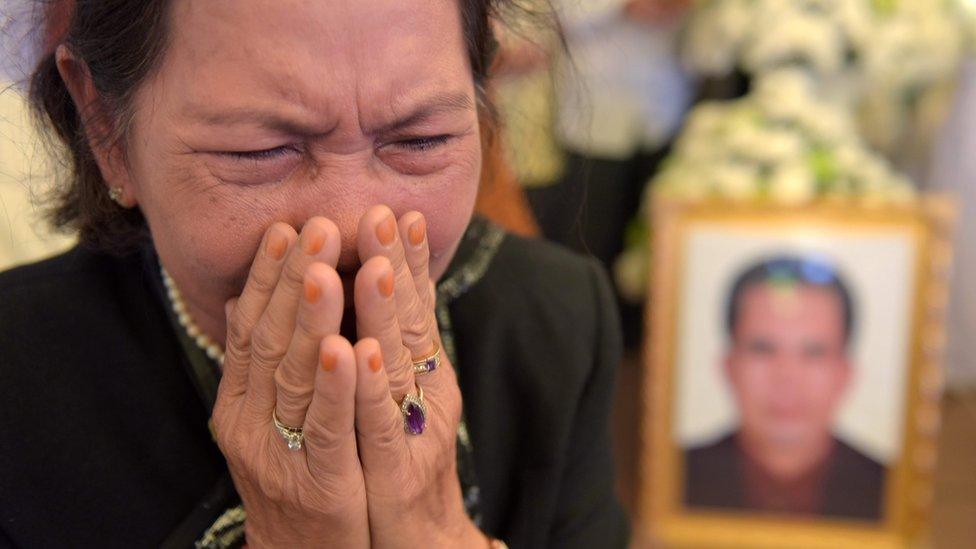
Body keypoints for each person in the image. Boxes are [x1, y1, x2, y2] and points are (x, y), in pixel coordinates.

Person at [0, 1, 628, 547]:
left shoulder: (556, 322)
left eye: (421, 139)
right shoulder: (20, 372)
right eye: (261, 152)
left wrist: (434, 531)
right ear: (105, 124)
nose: (354, 230)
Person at [684, 256, 884, 520]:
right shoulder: (676, 478)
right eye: (763, 349)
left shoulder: (890, 491)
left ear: (845, 374)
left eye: (814, 353)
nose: (786, 376)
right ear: (729, 367)